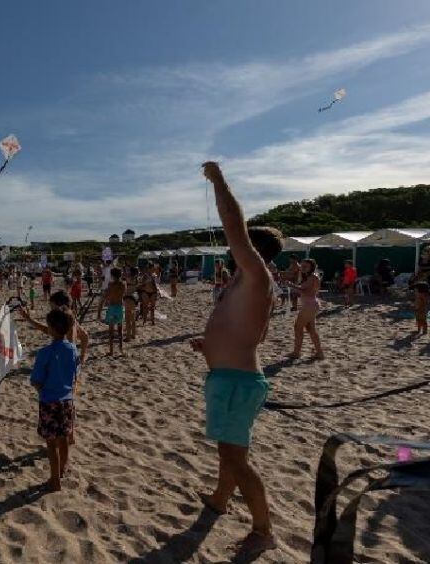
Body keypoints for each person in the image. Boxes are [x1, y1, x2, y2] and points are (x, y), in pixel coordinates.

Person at [190, 162, 280, 558]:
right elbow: (251, 332)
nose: (231, 248)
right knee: (230, 450)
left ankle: (264, 529)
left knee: (235, 456)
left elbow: (232, 222)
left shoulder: (256, 272)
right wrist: (209, 344)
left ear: (250, 249)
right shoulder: (251, 283)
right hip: (231, 375)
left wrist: (218, 180)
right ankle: (219, 500)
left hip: (237, 381)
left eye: (238, 245)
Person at [30, 308, 79, 492]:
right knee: (64, 438)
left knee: (51, 443)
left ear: (51, 328)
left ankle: (55, 480)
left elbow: (36, 380)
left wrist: (42, 390)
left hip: (49, 400)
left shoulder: (45, 352)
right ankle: (62, 470)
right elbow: (75, 374)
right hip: (67, 400)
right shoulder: (73, 349)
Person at [288, 259, 325, 360]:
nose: (303, 268)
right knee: (311, 330)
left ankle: (296, 352)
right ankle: (319, 353)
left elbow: (305, 290)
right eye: (302, 266)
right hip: (310, 304)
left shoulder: (313, 277)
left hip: (309, 305)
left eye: (305, 266)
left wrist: (291, 285)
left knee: (298, 327)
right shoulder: (310, 277)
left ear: (311, 267)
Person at [104, 268, 126, 356]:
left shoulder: (110, 284)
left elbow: (107, 296)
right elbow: (123, 294)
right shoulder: (123, 284)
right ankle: (121, 349)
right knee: (120, 330)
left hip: (112, 308)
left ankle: (111, 350)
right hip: (120, 307)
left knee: (111, 331)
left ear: (112, 275)